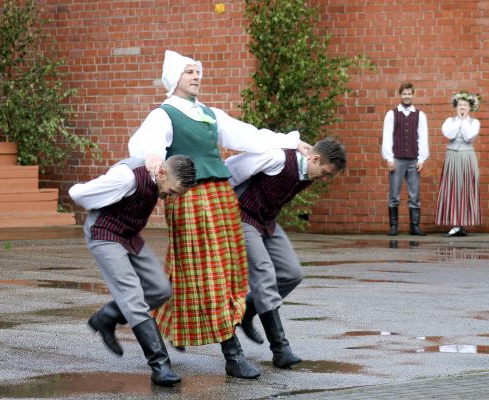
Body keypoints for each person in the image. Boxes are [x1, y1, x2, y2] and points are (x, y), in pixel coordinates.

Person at [128, 50, 311, 379]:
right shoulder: (164, 114)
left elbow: (250, 136)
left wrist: (290, 142)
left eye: (197, 71)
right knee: (209, 274)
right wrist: (153, 156)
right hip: (189, 199)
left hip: (221, 197)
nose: (196, 76)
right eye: (188, 72)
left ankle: (146, 322)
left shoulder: (210, 114)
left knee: (215, 273)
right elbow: (147, 143)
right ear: (174, 78)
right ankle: (232, 354)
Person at [68, 155, 196, 387]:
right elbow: (77, 194)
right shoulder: (126, 178)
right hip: (105, 233)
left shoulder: (157, 173)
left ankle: (107, 316)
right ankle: (160, 366)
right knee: (133, 297)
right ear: (162, 173)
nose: (173, 197)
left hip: (129, 234)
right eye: (173, 191)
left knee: (160, 289)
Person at [225, 138, 346, 368]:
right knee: (264, 275)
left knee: (292, 273)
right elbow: (232, 166)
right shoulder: (278, 158)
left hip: (266, 220)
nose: (324, 179)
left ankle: (247, 312)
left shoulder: (308, 172)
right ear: (315, 159)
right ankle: (280, 349)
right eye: (325, 173)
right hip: (242, 215)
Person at [381, 82, 429, 236]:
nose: (407, 96)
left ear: (412, 95)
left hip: (414, 160)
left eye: (409, 94)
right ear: (400, 95)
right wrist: (389, 158)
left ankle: (414, 226)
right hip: (397, 160)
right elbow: (387, 137)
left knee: (414, 194)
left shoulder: (420, 115)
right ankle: (393, 226)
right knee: (394, 194)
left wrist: (421, 159)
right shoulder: (391, 114)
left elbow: (423, 138)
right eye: (404, 94)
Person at [435, 91, 481, 237]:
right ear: (456, 106)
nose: (462, 107)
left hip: (467, 157)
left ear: (470, 107)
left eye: (465, 105)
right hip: (452, 156)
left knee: (466, 188)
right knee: (453, 188)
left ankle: (462, 224)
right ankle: (455, 224)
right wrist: (459, 120)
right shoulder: (449, 121)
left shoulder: (474, 123)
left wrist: (463, 120)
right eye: (460, 104)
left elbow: (468, 137)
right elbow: (449, 134)